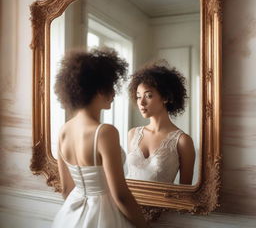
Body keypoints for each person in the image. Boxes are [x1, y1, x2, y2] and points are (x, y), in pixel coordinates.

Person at [52, 48, 148, 228]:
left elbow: (66, 190)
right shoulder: (104, 132)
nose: (113, 94)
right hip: (105, 217)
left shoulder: (64, 130)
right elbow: (120, 195)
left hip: (70, 216)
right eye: (110, 86)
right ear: (98, 89)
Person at [126, 63, 195, 184]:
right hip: (127, 202)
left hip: (161, 203)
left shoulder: (183, 141)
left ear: (166, 97)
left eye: (148, 95)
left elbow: (186, 193)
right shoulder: (133, 134)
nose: (141, 102)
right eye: (138, 96)